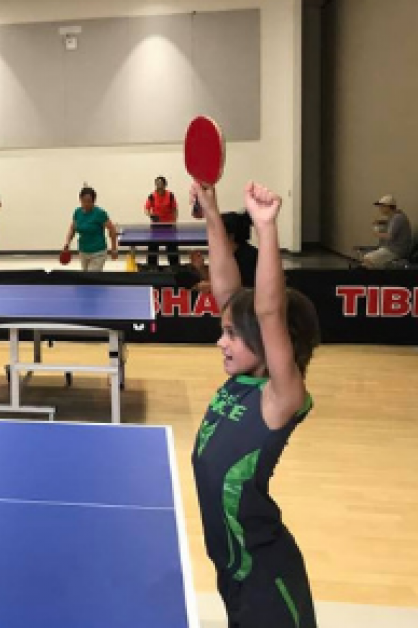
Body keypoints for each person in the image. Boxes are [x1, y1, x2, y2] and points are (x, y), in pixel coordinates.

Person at [191, 180, 320, 628]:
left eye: (231, 335)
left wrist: (266, 229)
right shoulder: (243, 382)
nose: (219, 341)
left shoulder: (279, 399)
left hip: (267, 577)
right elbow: (229, 290)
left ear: (269, 342)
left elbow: (267, 313)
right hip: (233, 569)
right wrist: (211, 209)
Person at [192, 211, 258, 292]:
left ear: (230, 236)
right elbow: (217, 281)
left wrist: (213, 287)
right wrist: (201, 267)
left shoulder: (250, 257)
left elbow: (247, 291)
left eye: (215, 233)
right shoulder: (223, 256)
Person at [62, 187, 118, 271]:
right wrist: (67, 244)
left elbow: (112, 230)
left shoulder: (100, 213)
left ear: (94, 201)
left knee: (92, 278)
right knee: (86, 279)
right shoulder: (77, 212)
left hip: (98, 252)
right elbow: (72, 229)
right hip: (83, 251)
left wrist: (114, 249)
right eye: (84, 201)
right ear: (80, 199)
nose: (86, 204)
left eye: (89, 201)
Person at [362, 194, 413, 269]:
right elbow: (391, 223)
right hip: (392, 248)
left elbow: (390, 236)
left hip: (397, 250)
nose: (379, 208)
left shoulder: (397, 218)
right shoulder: (395, 216)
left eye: (381, 206)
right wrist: (381, 222)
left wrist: (377, 234)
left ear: (388, 207)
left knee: (367, 259)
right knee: (369, 262)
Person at [144, 176, 180, 267]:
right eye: (157, 183)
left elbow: (175, 209)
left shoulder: (170, 195)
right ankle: (152, 267)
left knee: (171, 247)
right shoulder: (152, 196)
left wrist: (174, 222)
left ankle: (174, 266)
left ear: (165, 184)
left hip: (168, 226)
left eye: (160, 183)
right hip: (156, 226)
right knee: (153, 247)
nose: (158, 185)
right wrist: (150, 215)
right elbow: (146, 209)